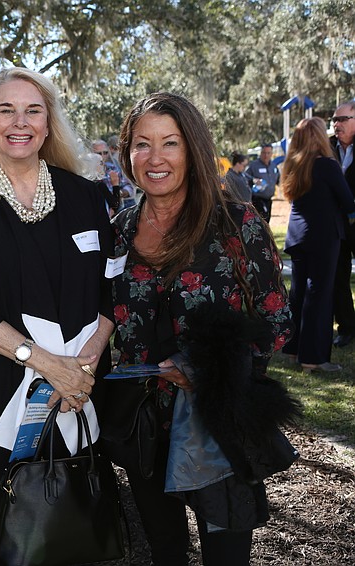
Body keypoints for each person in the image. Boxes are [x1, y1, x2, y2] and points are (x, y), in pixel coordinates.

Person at [107, 92, 293, 566]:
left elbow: (275, 321)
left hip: (218, 421)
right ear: (127, 152)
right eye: (142, 144)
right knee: (166, 552)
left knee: (225, 554)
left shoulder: (237, 223)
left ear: (192, 148)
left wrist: (202, 368)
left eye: (170, 143)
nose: (155, 158)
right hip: (144, 425)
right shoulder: (120, 229)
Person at [0, 67, 115, 566]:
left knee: (71, 508)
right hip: (0, 388)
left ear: (48, 122)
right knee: (3, 514)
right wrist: (44, 363)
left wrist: (83, 364)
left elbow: (112, 287)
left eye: (33, 110)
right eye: (6, 110)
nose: (21, 122)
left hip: (79, 387)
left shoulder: (84, 195)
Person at [280, 117, 354, 372]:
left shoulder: (293, 164)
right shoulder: (327, 165)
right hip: (323, 236)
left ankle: (292, 349)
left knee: (299, 293)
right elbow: (348, 202)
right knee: (320, 296)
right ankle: (313, 358)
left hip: (297, 235)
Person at [330, 101, 355, 348]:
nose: (337, 124)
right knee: (339, 278)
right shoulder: (326, 147)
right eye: (334, 120)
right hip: (335, 226)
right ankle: (347, 328)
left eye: (342, 119)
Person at [245, 143, 279, 222]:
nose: (266, 155)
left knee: (267, 220)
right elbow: (244, 177)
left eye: (268, 153)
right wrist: (253, 180)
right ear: (260, 153)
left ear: (271, 154)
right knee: (260, 222)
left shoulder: (273, 166)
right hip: (257, 199)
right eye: (264, 153)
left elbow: (278, 180)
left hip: (268, 199)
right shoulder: (254, 165)